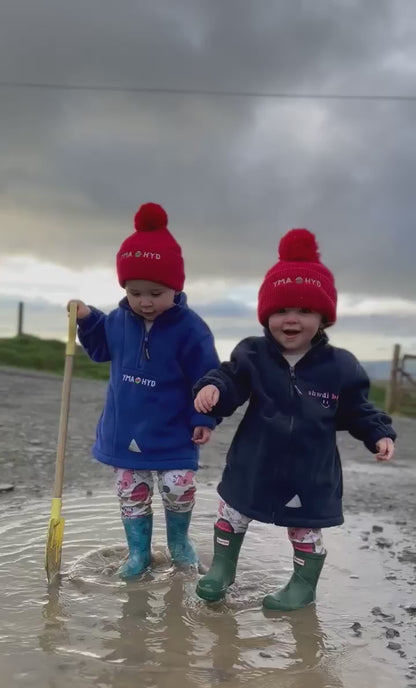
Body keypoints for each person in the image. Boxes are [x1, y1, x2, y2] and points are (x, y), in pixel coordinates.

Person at [193, 228, 396, 610]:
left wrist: (378, 432)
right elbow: (231, 379)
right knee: (232, 511)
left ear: (324, 317)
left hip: (310, 469)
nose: (291, 320)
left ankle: (303, 586)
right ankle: (222, 569)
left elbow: (358, 408)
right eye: (281, 310)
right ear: (266, 314)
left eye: (304, 311)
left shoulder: (341, 366)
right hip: (253, 462)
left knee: (304, 528)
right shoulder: (252, 354)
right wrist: (214, 390)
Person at [70, 202, 220, 578]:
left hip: (173, 431)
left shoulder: (191, 329)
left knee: (178, 487)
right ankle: (139, 554)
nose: (146, 301)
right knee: (131, 492)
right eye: (136, 292)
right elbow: (101, 349)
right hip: (125, 430)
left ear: (175, 287)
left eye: (156, 291)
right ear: (125, 288)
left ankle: (179, 546)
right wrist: (87, 319)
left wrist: (204, 416)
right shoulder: (119, 321)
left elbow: (208, 377)